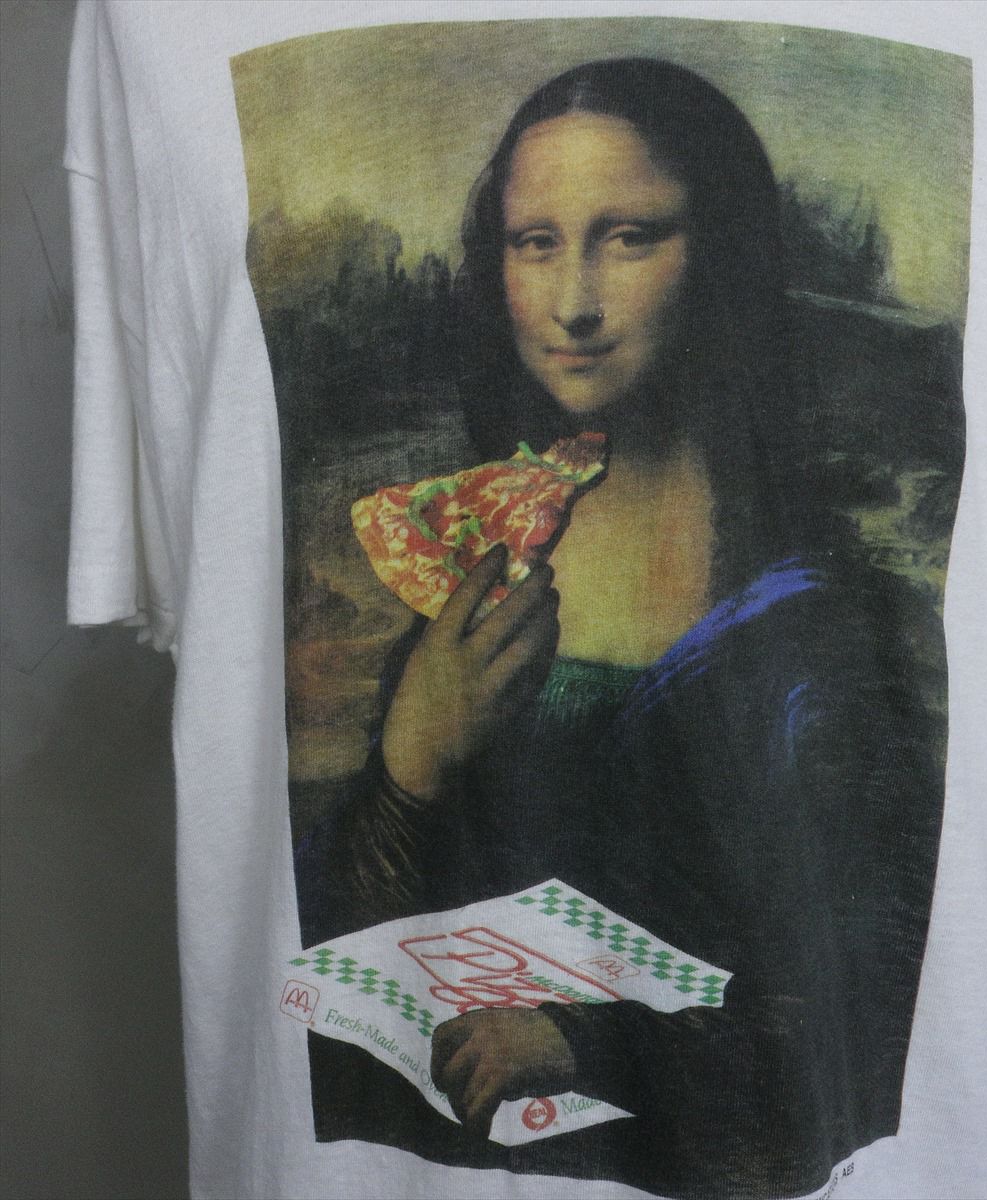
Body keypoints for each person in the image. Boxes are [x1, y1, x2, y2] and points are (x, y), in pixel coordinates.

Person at [296, 57, 945, 1199]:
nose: (574, 304)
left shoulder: (820, 622)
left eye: (631, 237)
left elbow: (873, 1005)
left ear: (722, 255)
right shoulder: (490, 553)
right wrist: (407, 766)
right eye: (535, 243)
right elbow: (345, 950)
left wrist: (583, 1040)